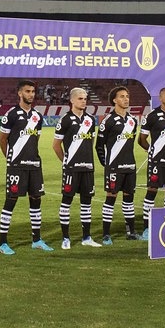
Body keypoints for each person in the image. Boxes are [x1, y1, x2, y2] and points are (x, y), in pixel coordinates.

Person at [0, 80, 52, 254]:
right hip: (16, 166)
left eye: (33, 91)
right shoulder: (11, 114)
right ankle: (2, 243)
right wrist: (11, 158)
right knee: (11, 201)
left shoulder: (37, 116)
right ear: (20, 93)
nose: (31, 94)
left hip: (34, 165)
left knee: (36, 201)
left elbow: (35, 139)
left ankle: (37, 239)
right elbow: (2, 139)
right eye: (27, 91)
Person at [52, 87, 102, 249]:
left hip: (87, 168)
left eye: (85, 98)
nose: (84, 101)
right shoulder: (65, 120)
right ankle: (65, 238)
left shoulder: (90, 119)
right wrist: (65, 161)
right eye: (80, 98)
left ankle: (86, 237)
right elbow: (56, 145)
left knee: (86, 204)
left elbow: (91, 142)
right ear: (72, 100)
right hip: (71, 169)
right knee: (66, 202)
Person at [96, 85, 140, 243]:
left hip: (130, 166)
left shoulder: (132, 121)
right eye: (122, 96)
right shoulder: (108, 120)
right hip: (114, 167)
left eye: (127, 96)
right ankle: (106, 234)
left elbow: (131, 143)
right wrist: (107, 164)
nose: (126, 99)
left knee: (129, 199)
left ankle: (131, 232)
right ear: (114, 100)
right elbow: (99, 145)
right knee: (111, 198)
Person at [138, 87, 165, 240]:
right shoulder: (152, 116)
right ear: (160, 98)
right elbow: (141, 139)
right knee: (152, 191)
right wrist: (152, 150)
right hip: (157, 160)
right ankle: (147, 229)